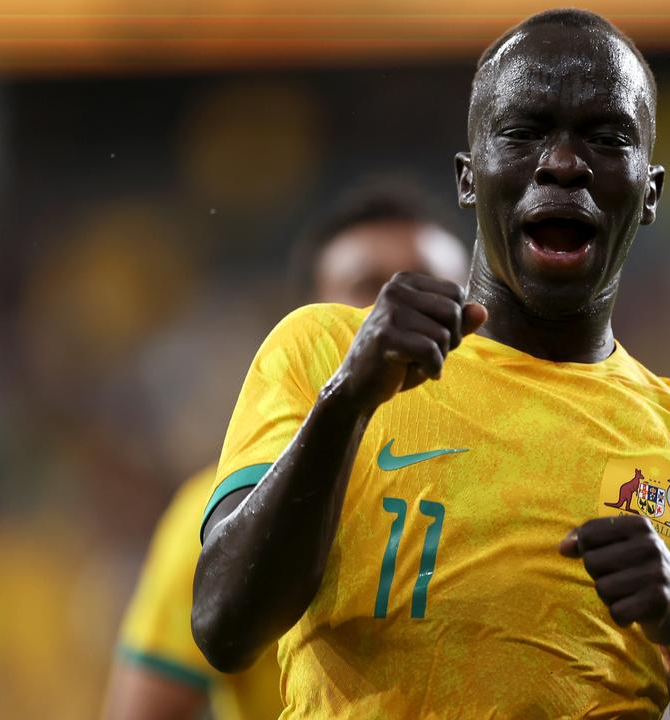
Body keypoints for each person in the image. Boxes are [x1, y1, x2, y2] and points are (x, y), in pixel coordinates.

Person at [193, 9, 670, 719]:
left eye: (606, 138)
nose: (564, 163)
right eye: (523, 131)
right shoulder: (324, 352)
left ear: (651, 193)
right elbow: (225, 629)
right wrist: (347, 401)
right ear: (468, 178)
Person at [101, 184, 470, 720]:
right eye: (366, 288)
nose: (397, 310)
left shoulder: (510, 482)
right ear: (305, 320)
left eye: (433, 287)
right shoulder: (217, 517)